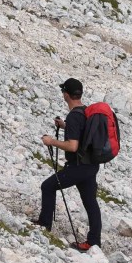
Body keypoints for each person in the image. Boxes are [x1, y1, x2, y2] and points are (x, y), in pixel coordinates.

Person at [31, 78, 101, 252]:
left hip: (78, 167)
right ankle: (94, 242)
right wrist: (64, 126)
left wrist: (51, 141)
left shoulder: (74, 115)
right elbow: (82, 133)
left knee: (48, 186)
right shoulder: (85, 111)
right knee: (90, 202)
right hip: (91, 165)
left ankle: (44, 224)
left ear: (66, 95)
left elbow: (72, 146)